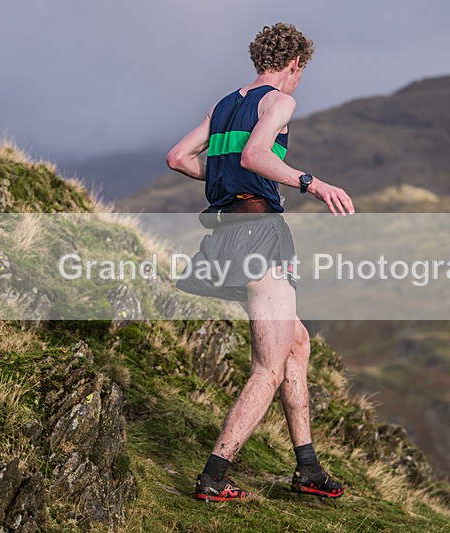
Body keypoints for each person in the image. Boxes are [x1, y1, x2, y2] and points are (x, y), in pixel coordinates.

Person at [166, 22, 354, 502]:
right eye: (301, 70)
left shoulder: (224, 105)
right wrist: (312, 183)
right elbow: (255, 155)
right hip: (259, 237)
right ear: (295, 64)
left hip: (226, 235)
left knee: (297, 343)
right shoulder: (279, 102)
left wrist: (226, 173)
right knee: (267, 369)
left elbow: (179, 158)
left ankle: (307, 467)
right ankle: (215, 474)